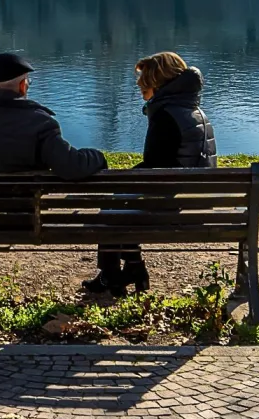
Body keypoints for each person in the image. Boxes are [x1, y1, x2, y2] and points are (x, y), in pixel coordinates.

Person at [0, 52, 107, 280]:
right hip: (22, 217)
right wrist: (97, 157)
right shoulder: (39, 122)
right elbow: (71, 167)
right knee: (1, 203)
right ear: (22, 86)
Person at [83, 51, 217, 297]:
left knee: (111, 210)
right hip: (192, 199)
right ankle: (131, 269)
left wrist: (123, 179)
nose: (139, 85)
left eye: (143, 80)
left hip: (171, 200)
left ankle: (112, 275)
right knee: (120, 202)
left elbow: (155, 167)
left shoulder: (167, 115)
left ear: (157, 81)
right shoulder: (192, 110)